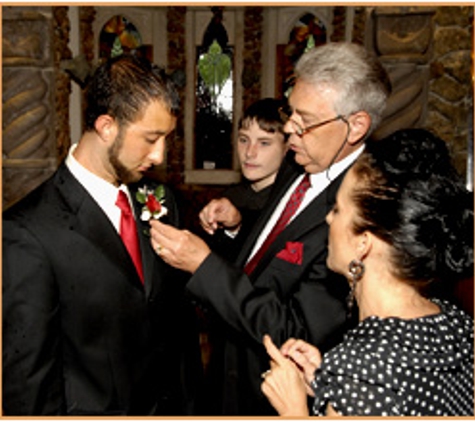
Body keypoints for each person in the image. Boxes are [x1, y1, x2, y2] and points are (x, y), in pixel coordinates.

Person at [149, 42, 392, 415]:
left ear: (356, 125)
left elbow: (299, 331)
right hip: (227, 376)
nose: (291, 131)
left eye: (305, 121)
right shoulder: (299, 163)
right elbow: (266, 263)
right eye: (291, 113)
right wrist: (237, 228)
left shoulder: (360, 210)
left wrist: (204, 266)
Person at [3, 54, 202, 415]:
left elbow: (177, 323)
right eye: (151, 138)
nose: (160, 155)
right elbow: (28, 384)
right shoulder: (27, 233)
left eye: (166, 139)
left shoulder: (159, 200)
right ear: (107, 126)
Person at [261, 128, 474, 417]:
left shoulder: (362, 374)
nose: (327, 218)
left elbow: (375, 387)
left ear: (363, 243)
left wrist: (295, 410)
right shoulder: (456, 323)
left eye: (337, 210)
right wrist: (325, 382)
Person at [201, 97, 289, 261]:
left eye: (264, 143)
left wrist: (238, 227)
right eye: (243, 140)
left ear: (287, 148)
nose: (249, 152)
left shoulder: (290, 203)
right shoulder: (230, 198)